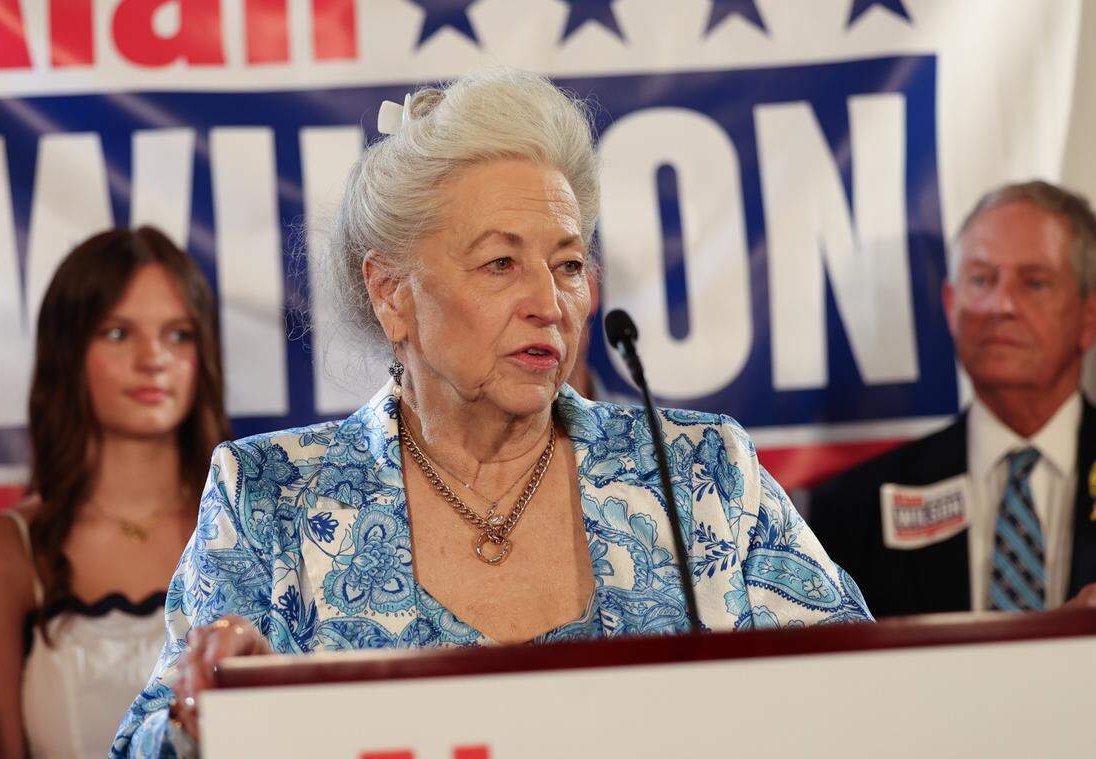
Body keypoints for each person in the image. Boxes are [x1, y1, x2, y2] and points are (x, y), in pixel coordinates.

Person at [112, 69, 871, 758]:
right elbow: (143, 746)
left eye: (568, 264)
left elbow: (866, 699)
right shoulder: (270, 497)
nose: (549, 303)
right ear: (391, 292)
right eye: (501, 262)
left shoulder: (702, 473)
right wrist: (202, 714)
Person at [0, 227, 230, 757]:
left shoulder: (251, 523)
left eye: (179, 334)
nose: (154, 358)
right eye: (117, 333)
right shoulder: (3, 552)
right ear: (66, 352)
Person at [810, 180, 1096, 618]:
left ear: (1088, 316)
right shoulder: (856, 508)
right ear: (951, 305)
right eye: (981, 279)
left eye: (1035, 283)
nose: (1000, 305)